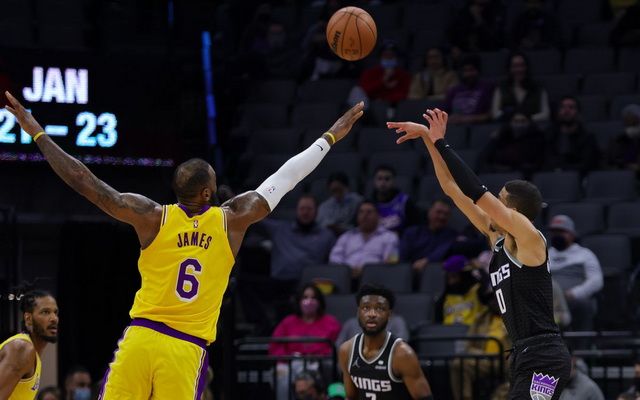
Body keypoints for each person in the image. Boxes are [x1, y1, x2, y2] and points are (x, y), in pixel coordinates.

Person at [4, 91, 364, 399]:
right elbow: (286, 176)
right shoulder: (232, 219)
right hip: (185, 347)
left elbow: (85, 182)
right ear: (207, 193)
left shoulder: (151, 216)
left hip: (141, 338)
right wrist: (330, 136)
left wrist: (37, 133)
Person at [387, 108, 571, 399]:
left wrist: (442, 143)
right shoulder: (497, 238)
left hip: (545, 356)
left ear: (513, 211)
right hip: (522, 353)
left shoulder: (530, 238)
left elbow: (475, 190)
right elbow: (451, 187)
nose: (492, 202)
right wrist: (426, 138)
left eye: (499, 199)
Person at [338, 284, 433, 399]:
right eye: (366, 308)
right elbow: (351, 397)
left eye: (379, 308)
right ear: (358, 312)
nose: (372, 314)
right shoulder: (346, 351)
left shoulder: (403, 354)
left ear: (389, 314)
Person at [548, 215, 603, 331]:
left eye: (561, 232)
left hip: (574, 299)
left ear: (572, 234)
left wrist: (574, 293)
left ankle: (583, 342)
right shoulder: (545, 254)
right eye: (554, 232)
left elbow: (596, 281)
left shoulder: (585, 254)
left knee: (584, 304)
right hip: (550, 299)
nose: (557, 235)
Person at [0, 290, 59, 400]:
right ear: (28, 319)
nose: (54, 318)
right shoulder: (21, 348)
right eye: (45, 312)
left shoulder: (32, 353)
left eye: (55, 313)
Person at [449, 295, 510, 400]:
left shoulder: (513, 317)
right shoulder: (481, 318)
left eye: (495, 298)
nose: (493, 302)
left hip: (506, 360)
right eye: (490, 299)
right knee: (458, 363)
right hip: (485, 359)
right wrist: (482, 354)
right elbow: (469, 345)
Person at [329, 200, 399, 277]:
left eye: (369, 212)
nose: (364, 216)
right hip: (346, 278)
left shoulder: (390, 237)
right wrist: (347, 271)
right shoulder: (346, 236)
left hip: (376, 279)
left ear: (378, 216)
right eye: (361, 212)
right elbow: (334, 259)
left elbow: (391, 262)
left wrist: (366, 271)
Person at [269, 284, 341, 358]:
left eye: (313, 297)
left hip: (322, 362)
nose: (309, 301)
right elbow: (275, 346)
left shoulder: (331, 322)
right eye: (305, 297)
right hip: (291, 363)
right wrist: (287, 358)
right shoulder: (288, 322)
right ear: (299, 301)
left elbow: (338, 347)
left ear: (319, 302)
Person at [545, 96, 600, 176]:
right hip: (553, 176)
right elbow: (546, 161)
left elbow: (587, 164)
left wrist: (563, 169)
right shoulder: (550, 135)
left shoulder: (587, 137)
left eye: (571, 107)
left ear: (578, 112)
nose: (566, 111)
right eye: (563, 107)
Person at [400, 198, 458, 273]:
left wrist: (427, 260)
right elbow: (403, 259)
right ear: (429, 212)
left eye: (446, 214)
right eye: (438, 212)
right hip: (410, 274)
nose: (442, 217)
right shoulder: (412, 233)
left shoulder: (452, 235)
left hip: (437, 274)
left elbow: (446, 249)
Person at [480, 112, 546, 176]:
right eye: (516, 121)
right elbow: (487, 157)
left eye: (523, 121)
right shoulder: (502, 137)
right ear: (510, 122)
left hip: (523, 175)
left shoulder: (537, 139)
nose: (519, 125)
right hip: (499, 173)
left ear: (529, 122)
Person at [491, 52, 550, 123]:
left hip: (533, 127)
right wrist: (511, 118)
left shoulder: (539, 88)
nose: (519, 69)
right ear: (509, 69)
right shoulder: (501, 88)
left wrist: (528, 118)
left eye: (522, 65)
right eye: (515, 66)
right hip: (507, 127)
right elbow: (495, 114)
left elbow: (546, 114)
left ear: (527, 67)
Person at [434, 255, 490, 326]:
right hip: (449, 332)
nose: (451, 282)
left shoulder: (478, 290)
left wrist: (480, 269)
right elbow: (437, 326)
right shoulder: (444, 298)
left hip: (475, 331)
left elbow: (489, 286)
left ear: (464, 275)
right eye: (448, 278)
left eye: (454, 276)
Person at [444, 55, 493, 125]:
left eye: (471, 70)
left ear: (478, 71)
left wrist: (467, 119)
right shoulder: (453, 90)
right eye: (465, 71)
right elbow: (443, 115)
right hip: (455, 128)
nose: (468, 74)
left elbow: (490, 115)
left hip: (478, 127)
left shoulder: (487, 88)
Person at [371, 165, 420, 233]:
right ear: (374, 181)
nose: (383, 182)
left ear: (394, 181)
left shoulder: (405, 202)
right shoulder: (369, 204)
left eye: (387, 179)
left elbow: (414, 228)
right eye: (379, 179)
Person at [336, 314, 409, 345]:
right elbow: (339, 344)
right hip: (354, 360)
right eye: (367, 307)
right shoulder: (350, 322)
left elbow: (402, 342)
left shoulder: (397, 321)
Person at [607, 104, 640, 172]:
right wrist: (626, 166)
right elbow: (612, 161)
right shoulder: (617, 140)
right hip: (623, 172)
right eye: (626, 119)